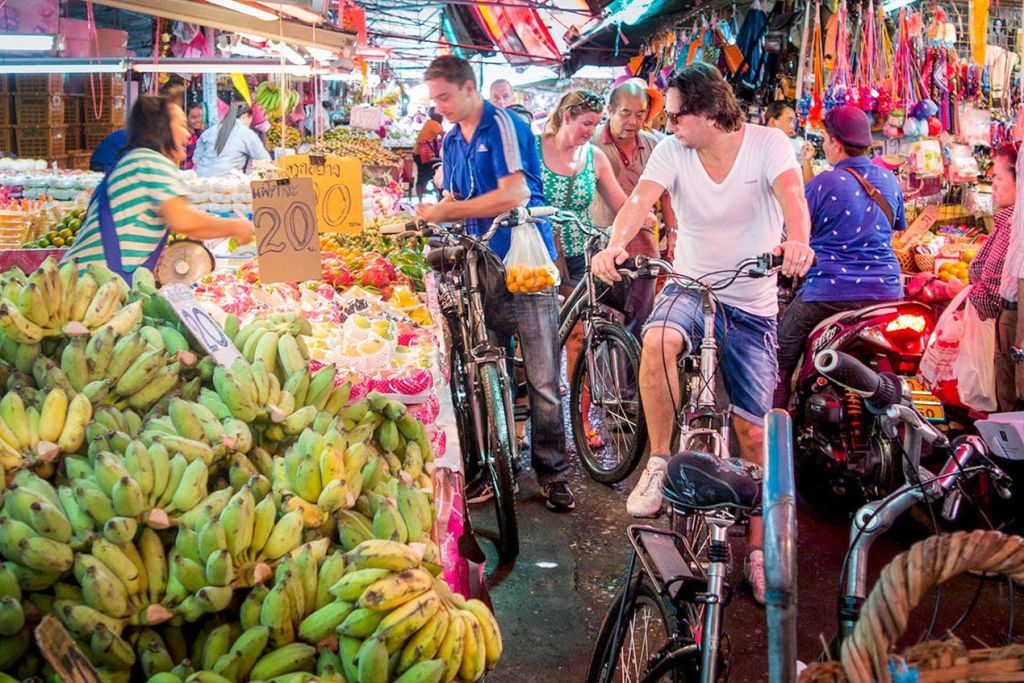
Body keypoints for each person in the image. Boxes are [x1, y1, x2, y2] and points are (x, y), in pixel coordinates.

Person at [591, 63, 814, 602]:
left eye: (674, 117)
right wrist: (615, 244)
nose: (666, 127)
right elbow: (639, 204)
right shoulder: (672, 152)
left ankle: (760, 550)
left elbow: (794, 203)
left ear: (710, 112)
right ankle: (660, 461)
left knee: (755, 434)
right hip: (688, 285)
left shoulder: (768, 145)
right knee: (657, 341)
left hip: (751, 300)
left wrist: (797, 243)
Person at [417, 55, 575, 512]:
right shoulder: (450, 140)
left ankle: (553, 474)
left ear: (470, 89)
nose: (440, 106)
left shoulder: (502, 125)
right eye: (436, 99)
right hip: (478, 265)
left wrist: (450, 212)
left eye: (445, 96)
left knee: (543, 378)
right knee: (488, 369)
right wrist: (434, 214)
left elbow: (515, 193)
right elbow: (456, 197)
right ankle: (495, 466)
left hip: (523, 263)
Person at [773, 106, 904, 410]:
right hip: (887, 292)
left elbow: (794, 236)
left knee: (778, 353)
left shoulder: (823, 184)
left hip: (829, 293)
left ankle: (774, 430)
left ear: (834, 142)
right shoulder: (888, 180)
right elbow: (895, 228)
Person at [62, 93, 255, 280]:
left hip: (88, 279)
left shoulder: (135, 160)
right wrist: (235, 226)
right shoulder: (150, 161)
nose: (188, 134)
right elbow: (184, 221)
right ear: (161, 129)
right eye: (181, 125)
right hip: (90, 283)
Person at [538, 89, 637, 448]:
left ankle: (580, 422)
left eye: (596, 124)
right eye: (586, 124)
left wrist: (628, 230)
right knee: (532, 340)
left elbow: (623, 205)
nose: (591, 131)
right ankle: (528, 422)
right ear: (566, 117)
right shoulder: (535, 149)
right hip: (537, 255)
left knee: (579, 338)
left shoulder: (594, 157)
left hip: (580, 255)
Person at [590, 80, 679, 338]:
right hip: (603, 244)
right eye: (626, 113)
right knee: (604, 319)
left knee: (642, 317)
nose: (633, 121)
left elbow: (666, 194)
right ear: (610, 110)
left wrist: (672, 231)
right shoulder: (592, 143)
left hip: (644, 244)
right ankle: (603, 376)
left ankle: (635, 375)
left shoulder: (654, 145)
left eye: (640, 114)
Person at [970, 142, 1019, 411]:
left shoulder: (1012, 223)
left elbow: (989, 295)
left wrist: (963, 292)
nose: (994, 185)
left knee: (1009, 406)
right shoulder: (1007, 222)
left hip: (1007, 325)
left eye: (999, 178)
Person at [192, 101, 270, 177]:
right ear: (245, 116)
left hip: (200, 179)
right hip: (225, 182)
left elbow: (196, 160)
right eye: (250, 119)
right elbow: (264, 159)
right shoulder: (247, 133)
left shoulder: (210, 131)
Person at [766, 101, 815, 183]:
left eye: (794, 122)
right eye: (789, 121)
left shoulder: (795, 147)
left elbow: (809, 185)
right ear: (773, 122)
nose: (793, 126)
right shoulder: (758, 146)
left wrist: (806, 161)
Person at [415, 108, 444, 201]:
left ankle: (421, 197)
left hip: (418, 153)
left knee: (423, 176)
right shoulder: (434, 123)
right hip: (421, 154)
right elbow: (443, 134)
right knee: (425, 176)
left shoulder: (429, 122)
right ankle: (421, 198)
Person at [182, 104, 204, 170]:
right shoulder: (183, 136)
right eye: (194, 117)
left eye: (200, 116)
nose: (198, 120)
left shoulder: (200, 134)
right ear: (185, 117)